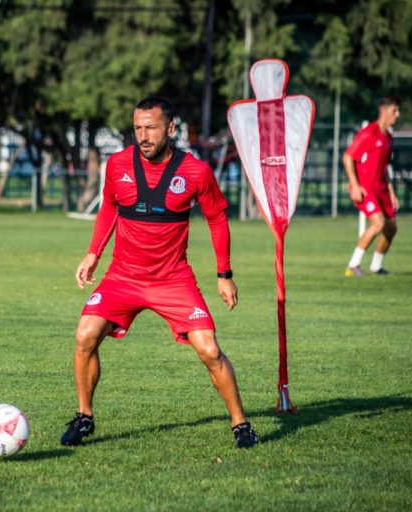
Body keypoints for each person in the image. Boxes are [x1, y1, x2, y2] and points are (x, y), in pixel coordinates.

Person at [59, 96, 259, 449]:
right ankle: (84, 415)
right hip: (123, 277)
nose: (143, 135)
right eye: (137, 128)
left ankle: (240, 424)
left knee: (209, 350)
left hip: (173, 279)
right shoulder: (118, 164)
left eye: (151, 127)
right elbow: (109, 207)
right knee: (85, 335)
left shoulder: (196, 172)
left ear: (170, 129)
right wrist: (93, 254)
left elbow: (216, 218)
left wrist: (224, 274)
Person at [343, 96, 401, 276]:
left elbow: (384, 168)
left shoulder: (388, 138)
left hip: (382, 190)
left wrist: (391, 193)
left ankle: (376, 266)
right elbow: (348, 157)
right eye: (394, 111)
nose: (398, 115)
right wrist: (355, 184)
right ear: (384, 111)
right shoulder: (369, 133)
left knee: (391, 229)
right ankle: (353, 265)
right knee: (378, 223)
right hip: (365, 189)